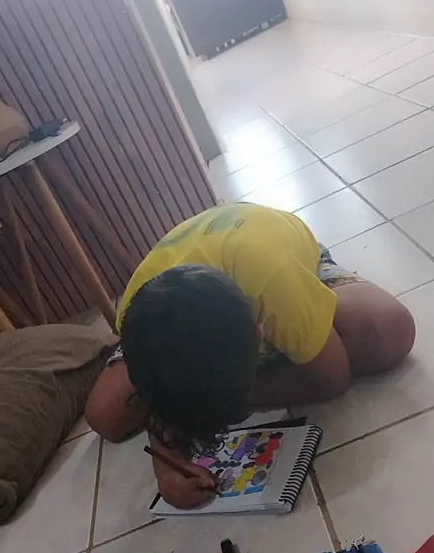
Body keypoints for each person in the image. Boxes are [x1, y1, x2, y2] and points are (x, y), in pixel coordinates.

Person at [86, 203, 415, 508]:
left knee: (388, 331)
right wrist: (167, 466)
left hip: (277, 250)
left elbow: (333, 378)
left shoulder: (274, 286)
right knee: (106, 415)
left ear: (260, 335)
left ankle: (294, 336)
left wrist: (225, 400)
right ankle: (248, 365)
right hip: (178, 287)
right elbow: (155, 395)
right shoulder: (136, 318)